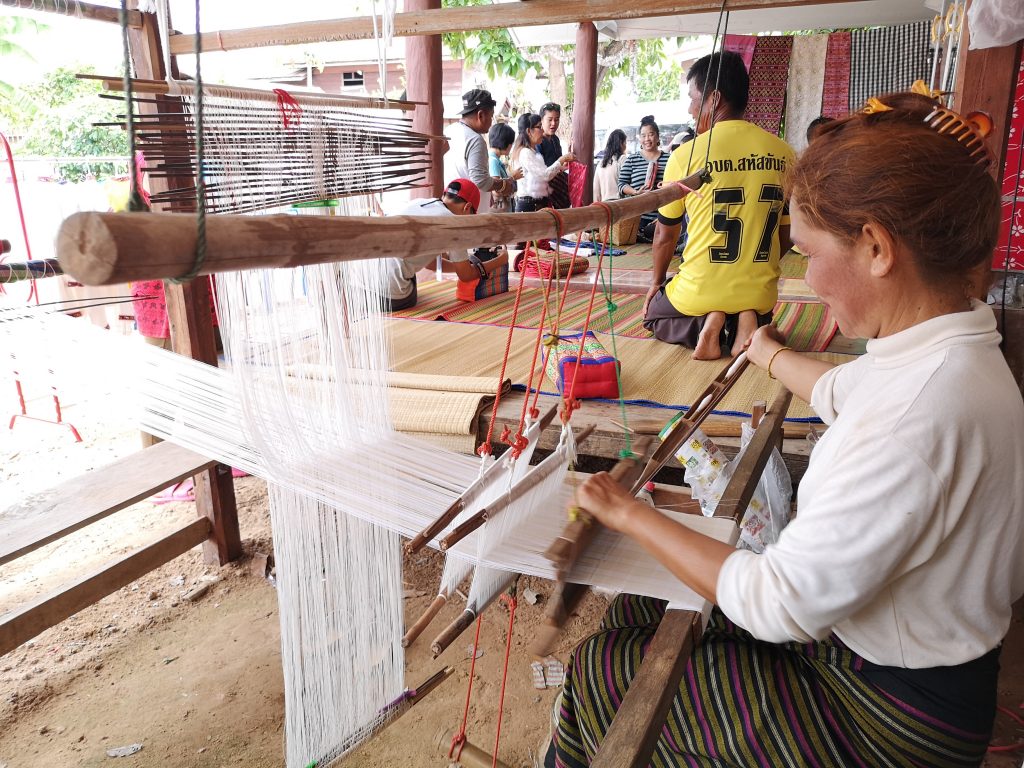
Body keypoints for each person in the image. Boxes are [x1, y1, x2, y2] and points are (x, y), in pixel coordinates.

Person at [547, 89, 1024, 768]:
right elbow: (839, 388)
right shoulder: (956, 351)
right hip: (910, 664)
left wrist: (628, 512)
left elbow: (776, 604)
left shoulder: (914, 416)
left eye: (806, 252)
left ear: (877, 248)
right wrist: (766, 353)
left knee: (604, 671)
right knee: (637, 612)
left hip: (890, 721)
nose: (805, 277)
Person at [643, 52, 796, 359]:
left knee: (654, 316)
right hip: (760, 295)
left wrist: (657, 283)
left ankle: (707, 321)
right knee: (755, 309)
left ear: (713, 99)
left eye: (692, 98)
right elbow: (785, 233)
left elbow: (664, 235)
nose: (689, 108)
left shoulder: (685, 156)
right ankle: (747, 320)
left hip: (699, 291)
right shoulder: (784, 152)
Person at [379, 179, 507, 310]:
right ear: (467, 207)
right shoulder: (454, 223)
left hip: (362, 285)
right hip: (390, 294)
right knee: (410, 289)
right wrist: (501, 260)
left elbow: (430, 263)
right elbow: (466, 275)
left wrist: (461, 266)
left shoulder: (419, 203)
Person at [444, 89, 517, 214]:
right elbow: (480, 180)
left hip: (450, 204)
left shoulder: (449, 131)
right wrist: (503, 185)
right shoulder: (475, 139)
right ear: (481, 115)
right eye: (491, 115)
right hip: (469, 211)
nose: (491, 120)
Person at [617, 116, 670, 242]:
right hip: (636, 219)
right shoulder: (631, 159)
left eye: (651, 135)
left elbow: (676, 184)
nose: (647, 139)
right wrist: (635, 192)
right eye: (643, 135)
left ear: (657, 137)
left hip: (662, 218)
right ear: (640, 138)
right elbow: (621, 185)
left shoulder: (670, 159)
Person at [511, 113, 575, 213]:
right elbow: (545, 175)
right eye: (539, 127)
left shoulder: (531, 151)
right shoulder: (525, 152)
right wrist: (561, 159)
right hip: (530, 206)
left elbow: (542, 174)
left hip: (534, 204)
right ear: (529, 131)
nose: (543, 131)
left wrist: (560, 167)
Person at [538, 102, 571, 209]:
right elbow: (540, 173)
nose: (553, 123)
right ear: (541, 120)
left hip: (557, 189)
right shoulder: (537, 141)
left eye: (556, 120)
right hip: (543, 192)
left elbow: (558, 165)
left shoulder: (555, 140)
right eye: (550, 119)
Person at [487, 122, 519, 213]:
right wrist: (513, 177)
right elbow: (496, 189)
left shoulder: (493, 158)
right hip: (499, 210)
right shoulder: (493, 160)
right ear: (507, 143)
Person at [592, 129, 627, 203]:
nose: (626, 146)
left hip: (605, 206)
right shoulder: (622, 159)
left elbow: (596, 191)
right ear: (621, 143)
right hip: (620, 203)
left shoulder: (601, 164)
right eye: (625, 143)